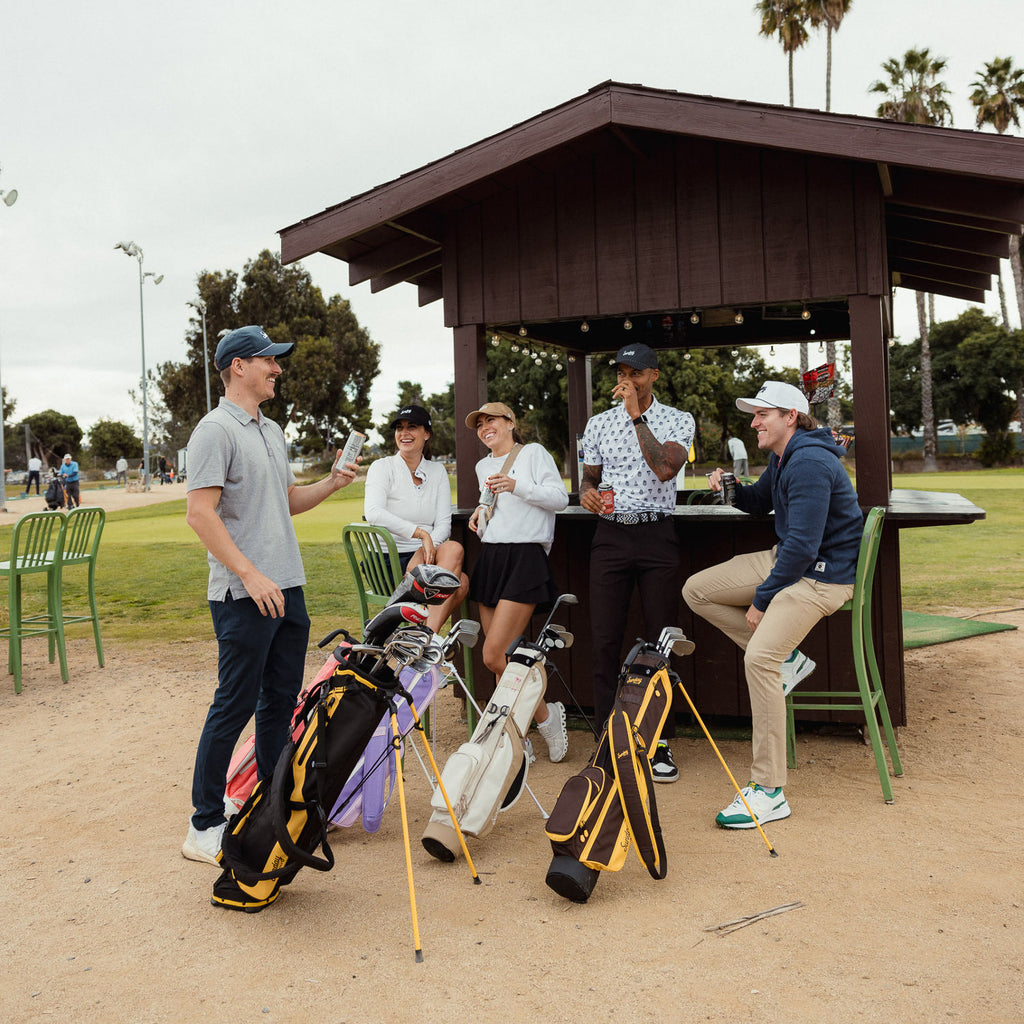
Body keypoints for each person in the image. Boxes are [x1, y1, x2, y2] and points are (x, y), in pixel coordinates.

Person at [181, 325, 359, 866]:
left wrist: (331, 483)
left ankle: (269, 803)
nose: (277, 369)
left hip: (287, 586)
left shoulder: (272, 430)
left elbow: (286, 502)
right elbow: (199, 514)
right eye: (268, 361)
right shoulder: (214, 430)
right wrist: (249, 575)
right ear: (239, 366)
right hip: (244, 593)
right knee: (233, 704)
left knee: (280, 704)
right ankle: (204, 824)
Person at [682, 381, 863, 829]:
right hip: (791, 562)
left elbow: (802, 546)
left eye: (763, 414)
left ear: (792, 417)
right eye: (755, 414)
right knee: (696, 590)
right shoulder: (784, 456)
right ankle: (791, 662)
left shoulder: (810, 461)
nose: (754, 422)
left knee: (760, 660)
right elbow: (760, 503)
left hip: (820, 577)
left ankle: (769, 791)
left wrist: (763, 600)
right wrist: (733, 488)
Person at [579, 343, 694, 782]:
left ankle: (657, 740)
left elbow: (665, 468)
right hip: (610, 534)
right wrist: (588, 492)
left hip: (656, 533)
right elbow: (591, 476)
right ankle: (610, 738)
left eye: (637, 373)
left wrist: (634, 413)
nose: (628, 379)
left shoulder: (677, 419)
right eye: (622, 372)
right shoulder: (597, 423)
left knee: (658, 639)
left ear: (654, 377)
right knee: (605, 638)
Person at [466, 402, 570, 762]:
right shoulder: (483, 465)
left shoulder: (534, 454)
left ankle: (541, 720)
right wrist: (482, 513)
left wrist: (517, 485)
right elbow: (493, 503)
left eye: (491, 420)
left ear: (510, 423)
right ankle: (518, 737)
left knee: (496, 654)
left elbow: (559, 499)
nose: (484, 427)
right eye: (480, 424)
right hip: (492, 557)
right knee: (503, 662)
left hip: (525, 557)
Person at [364, 403, 469, 633]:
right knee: (460, 585)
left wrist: (424, 548)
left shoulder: (437, 471)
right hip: (388, 562)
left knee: (454, 551)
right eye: (399, 427)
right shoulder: (382, 467)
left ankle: (421, 638)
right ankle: (423, 639)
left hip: (427, 556)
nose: (404, 433)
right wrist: (420, 534)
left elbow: (443, 524)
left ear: (427, 433)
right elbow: (373, 512)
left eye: (412, 426)